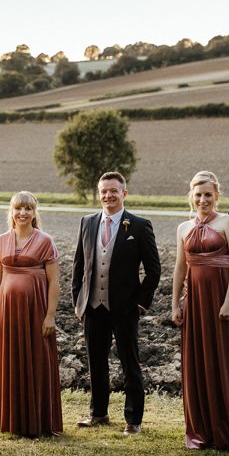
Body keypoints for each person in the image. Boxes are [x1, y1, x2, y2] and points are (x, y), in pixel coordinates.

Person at [171, 171, 229, 451]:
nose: (203, 199)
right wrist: (175, 303)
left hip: (221, 298)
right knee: (198, 360)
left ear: (217, 196)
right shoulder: (183, 228)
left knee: (223, 359)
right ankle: (202, 429)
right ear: (191, 197)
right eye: (198, 195)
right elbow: (179, 267)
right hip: (195, 302)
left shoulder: (228, 223)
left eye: (208, 194)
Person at [72, 171, 161, 435]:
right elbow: (79, 266)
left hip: (124, 308)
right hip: (93, 306)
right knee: (95, 361)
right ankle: (98, 413)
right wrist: (79, 302)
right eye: (104, 191)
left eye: (113, 191)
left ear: (124, 193)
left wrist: (141, 304)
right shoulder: (87, 223)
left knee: (129, 362)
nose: (108, 196)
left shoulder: (139, 225)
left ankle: (133, 419)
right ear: (98, 194)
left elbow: (153, 270)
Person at [0, 191, 63, 437]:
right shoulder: (1, 241)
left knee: (37, 357)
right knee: (10, 358)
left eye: (28, 209)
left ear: (34, 212)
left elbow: (54, 282)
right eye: (18, 208)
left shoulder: (45, 241)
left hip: (36, 311)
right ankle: (12, 420)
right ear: (11, 212)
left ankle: (38, 419)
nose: (23, 213)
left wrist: (50, 315)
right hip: (7, 311)